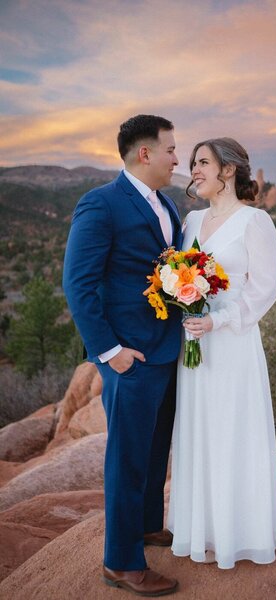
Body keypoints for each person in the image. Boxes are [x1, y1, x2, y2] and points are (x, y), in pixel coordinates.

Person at [63, 114, 182, 596]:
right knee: (128, 457)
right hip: (129, 356)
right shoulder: (101, 203)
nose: (178, 157)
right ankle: (121, 562)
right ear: (145, 153)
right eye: (172, 149)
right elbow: (79, 283)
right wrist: (110, 352)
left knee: (155, 451)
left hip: (167, 350)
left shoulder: (167, 204)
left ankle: (148, 525)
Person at [167, 137, 276, 569]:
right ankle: (202, 530)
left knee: (234, 430)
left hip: (233, 344)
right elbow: (180, 274)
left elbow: (264, 290)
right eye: (194, 163)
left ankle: (242, 533)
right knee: (199, 431)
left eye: (202, 163)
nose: (194, 170)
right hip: (194, 347)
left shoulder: (255, 221)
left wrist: (218, 320)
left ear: (229, 170)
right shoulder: (192, 221)